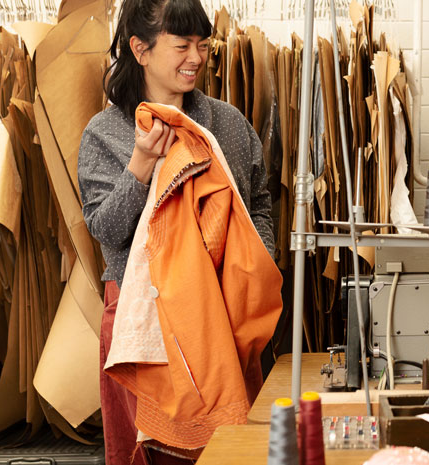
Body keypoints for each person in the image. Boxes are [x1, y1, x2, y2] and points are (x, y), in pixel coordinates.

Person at [77, 0, 274, 463]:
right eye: (182, 44)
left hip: (224, 316)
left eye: (203, 45)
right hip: (143, 324)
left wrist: (256, 264)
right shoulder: (105, 133)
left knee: (228, 449)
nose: (197, 57)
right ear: (139, 49)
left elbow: (259, 201)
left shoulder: (227, 123)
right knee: (150, 453)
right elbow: (106, 230)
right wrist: (141, 165)